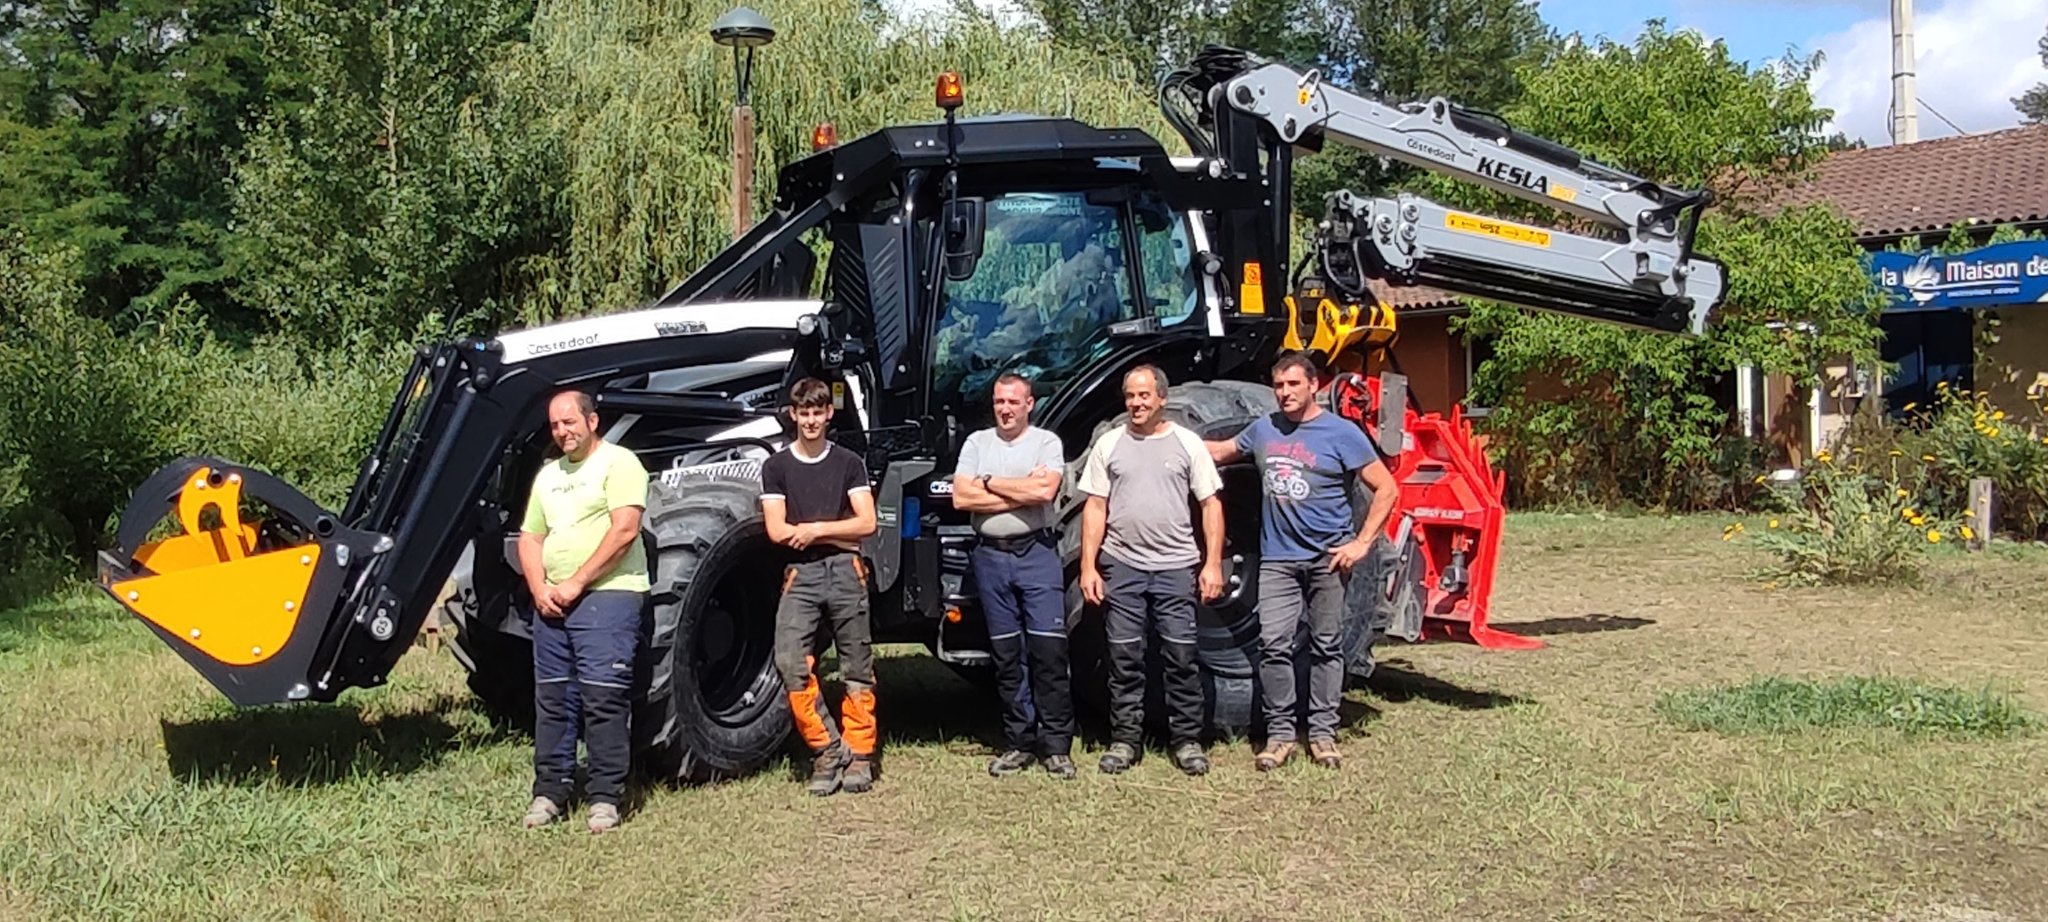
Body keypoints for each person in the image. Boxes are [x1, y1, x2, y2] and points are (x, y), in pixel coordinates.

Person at [1206, 351, 1398, 771]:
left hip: (1327, 560)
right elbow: (1221, 451)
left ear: (1313, 385)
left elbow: (1386, 488)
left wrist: (1362, 543)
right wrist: (1166, 437)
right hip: (1277, 560)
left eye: (1293, 384)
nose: (1284, 393)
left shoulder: (1341, 433)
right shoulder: (1265, 429)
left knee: (1327, 646)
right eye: (1278, 386)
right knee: (1274, 645)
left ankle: (1324, 734)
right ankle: (1280, 736)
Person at [1077, 365, 1225, 776]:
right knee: (1124, 658)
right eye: (1130, 396)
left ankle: (1187, 742)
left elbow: (1211, 504)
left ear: (1161, 398)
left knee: (1180, 656)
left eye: (1144, 396)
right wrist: (1089, 566)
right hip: (1122, 566)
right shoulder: (1109, 444)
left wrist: (1212, 563)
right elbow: (1095, 506)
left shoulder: (1187, 444)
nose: (1136, 404)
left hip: (1175, 567)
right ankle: (1125, 741)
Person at [518, 389, 649, 833]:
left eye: (569, 422)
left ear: (593, 421)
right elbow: (530, 537)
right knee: (553, 699)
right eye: (555, 424)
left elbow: (625, 529)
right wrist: (539, 587)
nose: (562, 431)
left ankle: (604, 796)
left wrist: (577, 581)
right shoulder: (548, 475)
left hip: (608, 595)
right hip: (552, 601)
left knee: (602, 697)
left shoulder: (619, 463)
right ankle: (550, 791)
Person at [951, 373, 1076, 780]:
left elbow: (1044, 493)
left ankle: (1056, 746)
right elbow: (959, 496)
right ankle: (1019, 742)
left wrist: (988, 483)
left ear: (1029, 404)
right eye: (999, 402)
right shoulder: (977, 443)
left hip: (1036, 553)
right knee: (1007, 657)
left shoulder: (1046, 443)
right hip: (990, 558)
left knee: (1048, 653)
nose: (1005, 409)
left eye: (1013, 402)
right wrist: (1017, 488)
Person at [760, 378, 880, 796]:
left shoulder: (848, 462)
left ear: (830, 414)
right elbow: (777, 531)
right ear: (793, 416)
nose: (811, 421)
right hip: (801, 574)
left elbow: (867, 524)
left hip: (847, 570)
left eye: (818, 412)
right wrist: (836, 532)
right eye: (803, 413)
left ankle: (860, 754)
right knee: (790, 661)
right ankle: (827, 748)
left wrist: (815, 530)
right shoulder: (776, 467)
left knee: (856, 664)